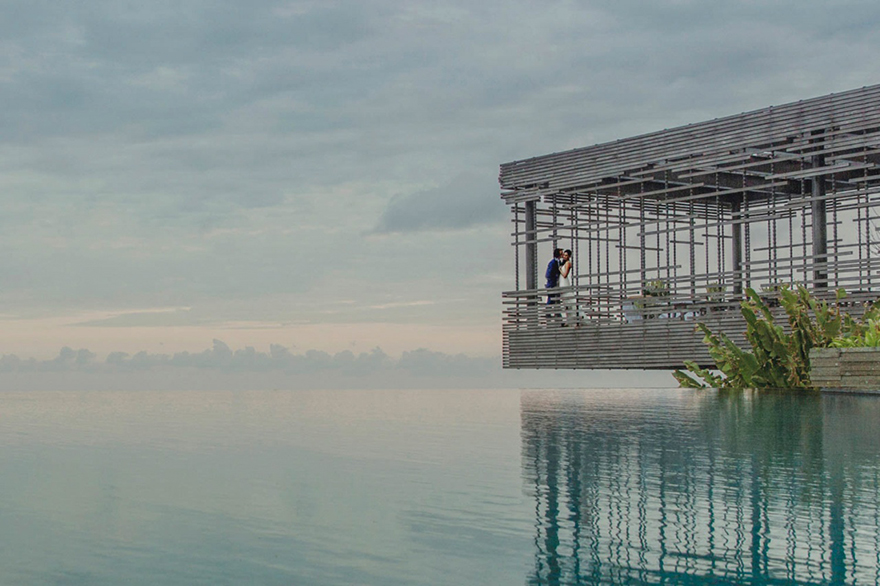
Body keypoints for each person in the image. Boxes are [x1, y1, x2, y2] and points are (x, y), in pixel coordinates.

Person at [559, 249, 576, 325]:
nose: (564, 256)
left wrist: (560, 270)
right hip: (562, 282)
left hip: (565, 283)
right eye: (564, 255)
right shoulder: (564, 263)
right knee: (565, 303)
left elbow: (565, 275)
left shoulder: (568, 263)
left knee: (568, 302)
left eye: (566, 255)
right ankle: (568, 320)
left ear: (569, 256)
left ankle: (571, 320)